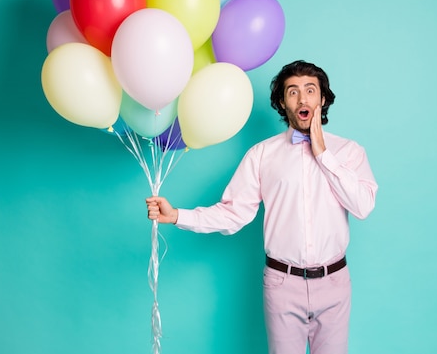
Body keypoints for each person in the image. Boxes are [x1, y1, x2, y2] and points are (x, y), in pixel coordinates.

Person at [146, 60, 378, 354]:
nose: (303, 98)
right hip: (282, 285)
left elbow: (362, 205)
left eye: (310, 90)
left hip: (334, 283)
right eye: (293, 92)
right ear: (283, 102)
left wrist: (323, 153)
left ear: (322, 99)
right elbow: (233, 213)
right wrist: (179, 216)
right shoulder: (262, 155)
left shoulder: (349, 152)